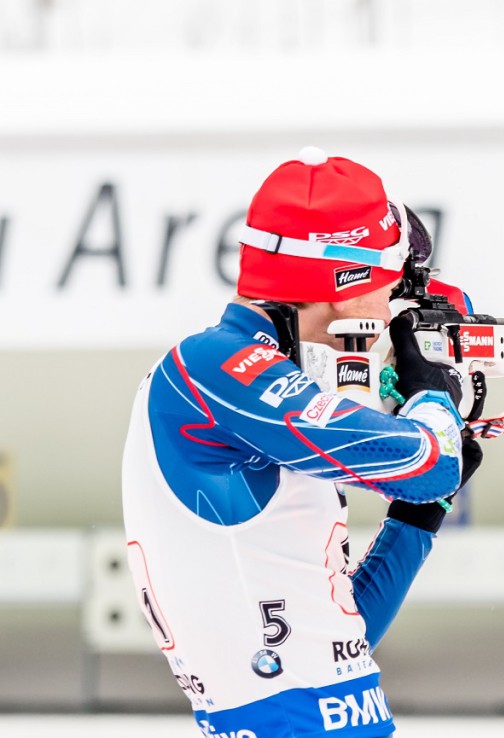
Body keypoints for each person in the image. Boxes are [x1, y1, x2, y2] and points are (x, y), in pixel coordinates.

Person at [122, 147, 481, 738]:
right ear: (349, 282)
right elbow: (430, 460)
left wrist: (417, 519)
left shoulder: (254, 386)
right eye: (393, 285)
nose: (395, 307)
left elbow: (340, 639)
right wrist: (429, 389)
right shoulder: (211, 366)